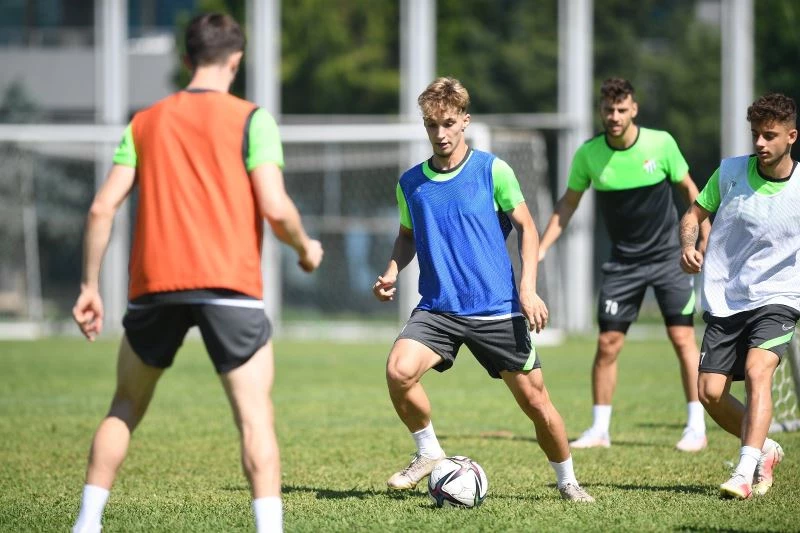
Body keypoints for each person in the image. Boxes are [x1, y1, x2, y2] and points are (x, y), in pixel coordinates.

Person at [70, 13, 322, 533]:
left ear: (186, 59)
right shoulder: (253, 119)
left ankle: (87, 523)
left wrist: (89, 286)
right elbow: (276, 208)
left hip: (155, 286)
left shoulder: (144, 122)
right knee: (254, 418)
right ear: (237, 60)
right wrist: (305, 249)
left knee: (124, 405)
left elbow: (101, 208)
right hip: (230, 286)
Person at [372, 77, 593, 502]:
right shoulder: (411, 183)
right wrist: (392, 271)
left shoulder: (492, 170)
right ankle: (428, 452)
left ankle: (568, 481)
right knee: (399, 370)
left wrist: (528, 289)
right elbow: (406, 236)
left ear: (464, 121)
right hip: (439, 309)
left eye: (448, 123)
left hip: (497, 309)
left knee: (536, 403)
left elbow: (528, 229)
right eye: (431, 125)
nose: (440, 133)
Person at [538, 78, 710, 452]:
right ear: (600, 111)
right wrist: (541, 247)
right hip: (623, 264)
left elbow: (691, 193)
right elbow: (567, 204)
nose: (614, 117)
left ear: (633, 109)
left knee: (682, 338)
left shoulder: (660, 144)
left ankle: (696, 427)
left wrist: (702, 235)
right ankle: (600, 430)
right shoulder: (589, 154)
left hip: (667, 258)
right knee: (608, 343)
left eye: (621, 110)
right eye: (608, 110)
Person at [679, 93, 799, 499]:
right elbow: (694, 214)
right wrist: (688, 245)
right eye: (755, 135)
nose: (760, 143)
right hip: (728, 297)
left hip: (779, 297)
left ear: (791, 137)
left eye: (770, 135)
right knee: (710, 393)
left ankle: (744, 472)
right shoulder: (730, 172)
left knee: (758, 371)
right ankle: (765, 449)